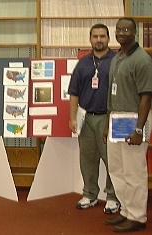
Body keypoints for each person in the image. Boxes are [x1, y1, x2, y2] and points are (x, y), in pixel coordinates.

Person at [103, 17, 152, 233]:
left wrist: (139, 129)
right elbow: (111, 94)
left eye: (127, 29)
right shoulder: (117, 58)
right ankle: (126, 211)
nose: (122, 32)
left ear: (135, 33)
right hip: (116, 120)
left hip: (134, 121)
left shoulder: (142, 60)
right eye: (119, 29)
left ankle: (138, 217)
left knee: (134, 172)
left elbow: (147, 96)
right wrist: (107, 124)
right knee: (117, 170)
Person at [68, 23, 119, 213]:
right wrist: (72, 118)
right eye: (95, 36)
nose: (99, 40)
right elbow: (73, 93)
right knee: (87, 159)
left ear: (108, 38)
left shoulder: (116, 61)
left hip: (108, 118)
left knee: (111, 160)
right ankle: (90, 194)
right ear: (90, 39)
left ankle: (113, 197)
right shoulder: (83, 64)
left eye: (102, 36)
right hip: (86, 118)